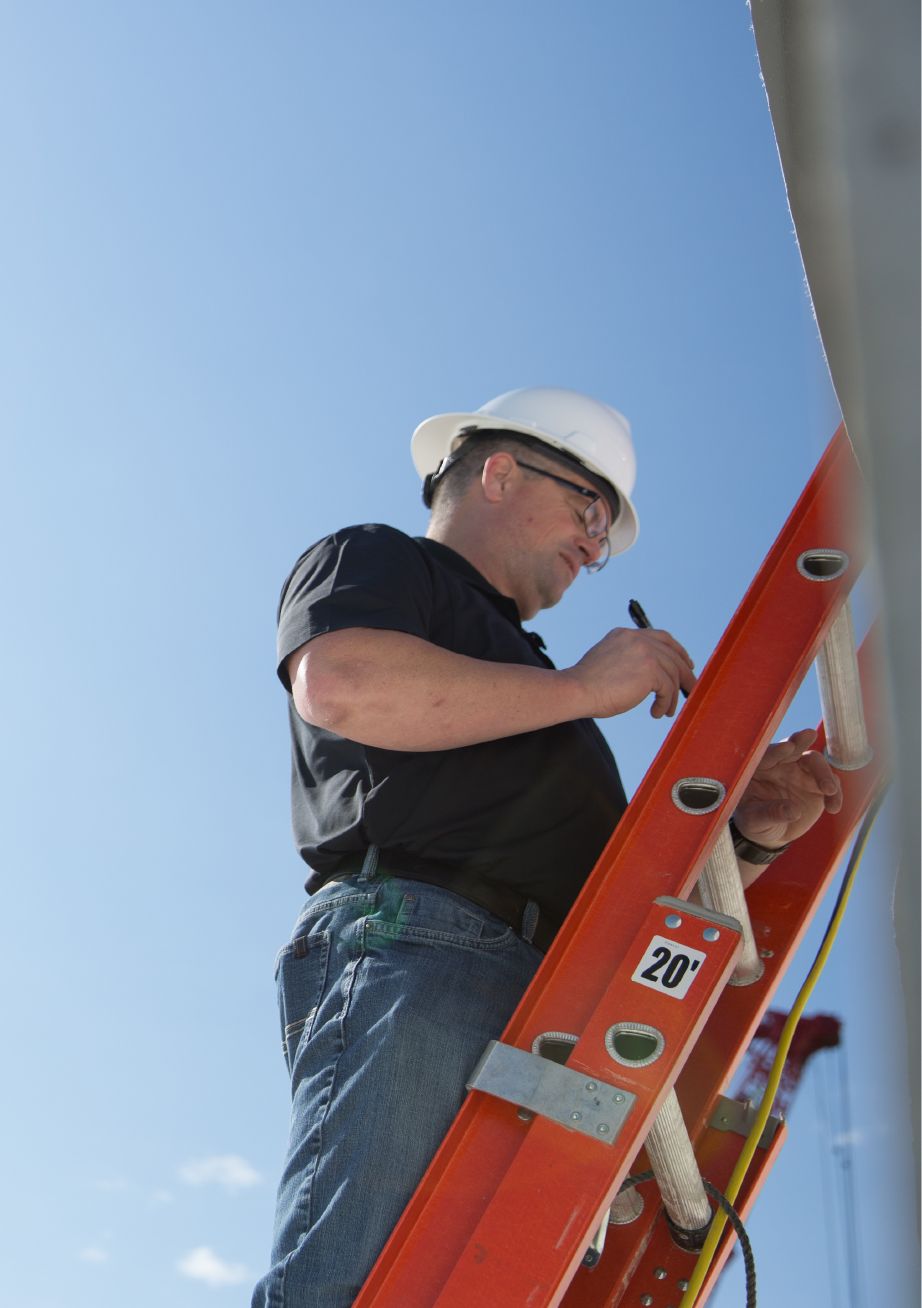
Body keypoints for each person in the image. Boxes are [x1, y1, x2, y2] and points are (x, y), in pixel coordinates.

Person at [252, 387, 842, 1308]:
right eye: (588, 510)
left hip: (545, 983)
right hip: (423, 945)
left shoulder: (527, 690)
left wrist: (746, 834)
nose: (594, 549)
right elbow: (343, 684)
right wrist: (582, 688)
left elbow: (611, 888)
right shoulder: (377, 559)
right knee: (357, 1289)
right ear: (498, 472)